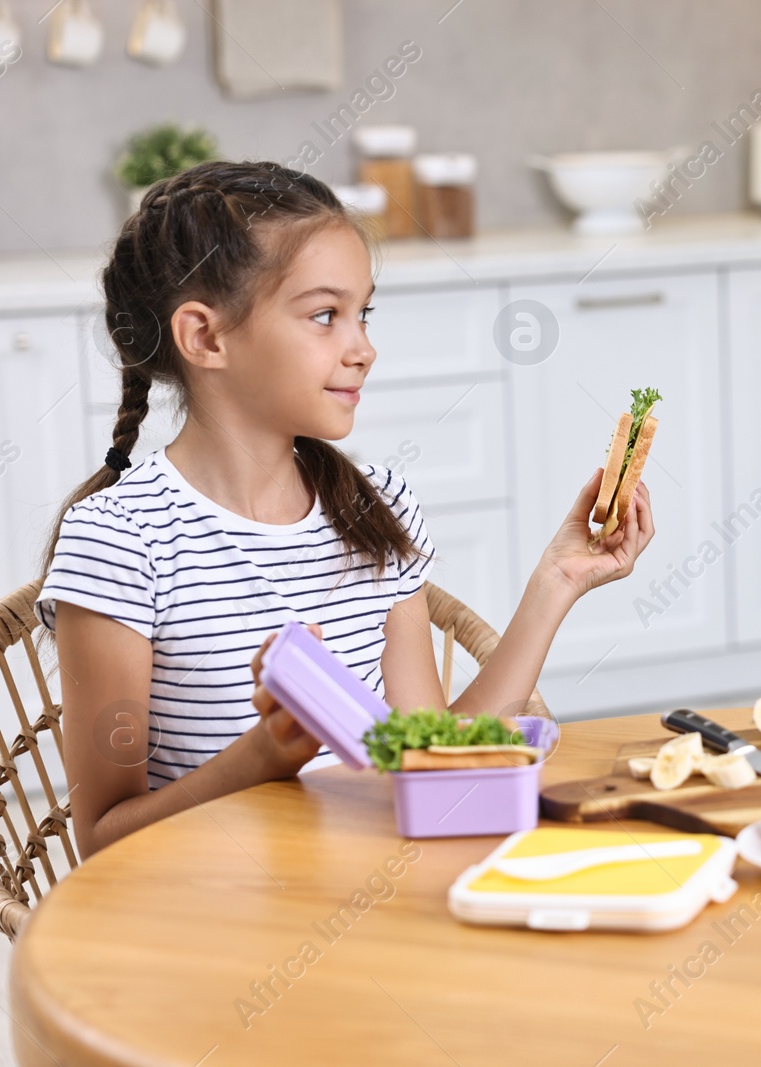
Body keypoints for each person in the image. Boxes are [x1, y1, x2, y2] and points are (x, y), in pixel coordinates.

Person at [38, 160, 654, 858]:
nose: (363, 348)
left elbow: (429, 756)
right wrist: (265, 756)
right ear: (206, 337)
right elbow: (102, 839)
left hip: (371, 895)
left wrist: (557, 582)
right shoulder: (121, 541)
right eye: (325, 316)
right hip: (209, 927)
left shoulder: (376, 508)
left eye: (363, 314)